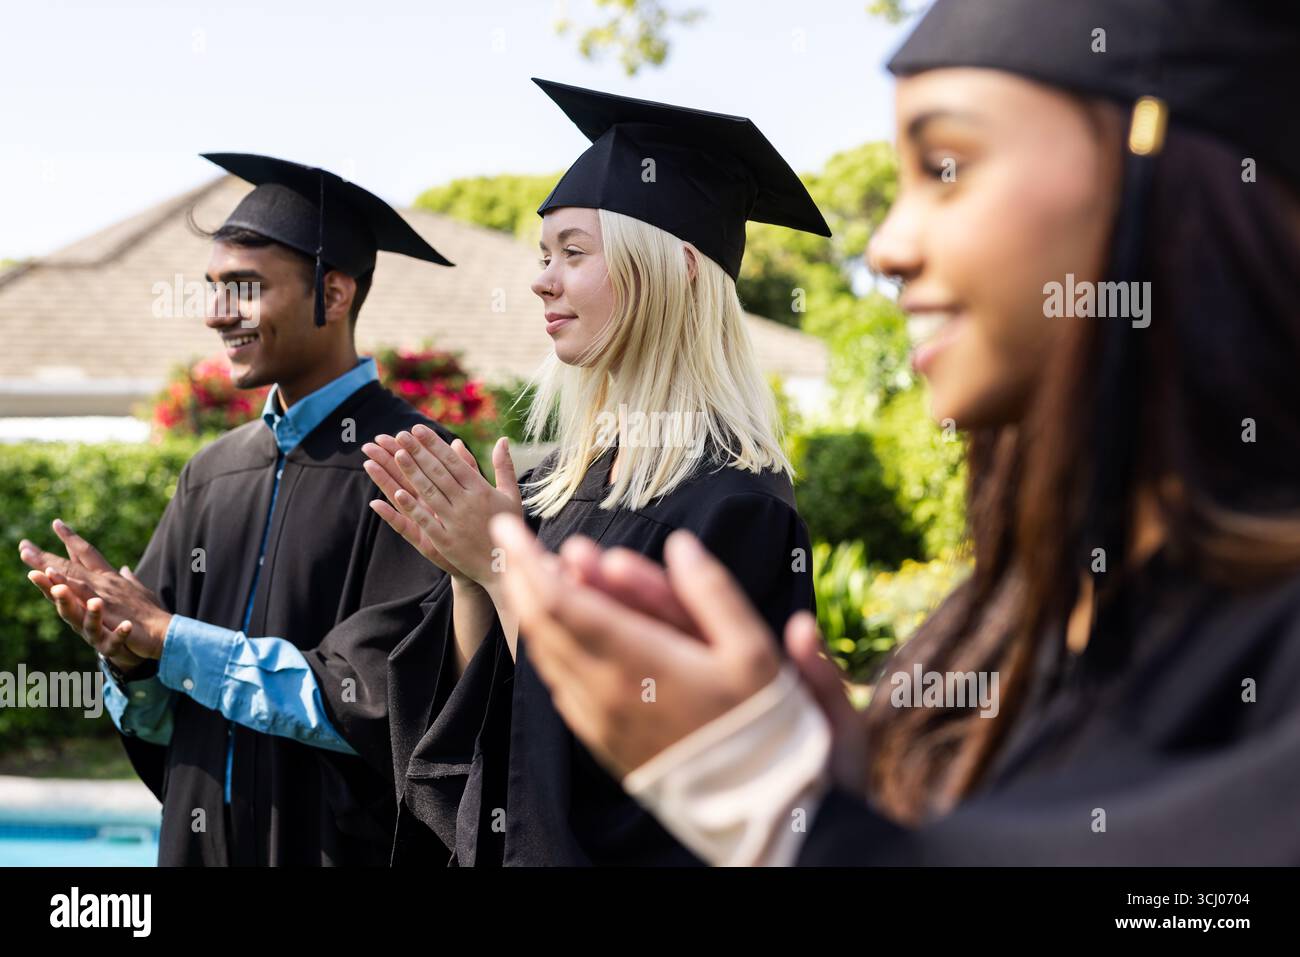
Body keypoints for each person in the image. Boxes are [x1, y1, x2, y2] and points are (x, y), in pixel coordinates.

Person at [487, 0, 1300, 865]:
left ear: (1163, 168)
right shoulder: (997, 620)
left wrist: (782, 813)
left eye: (947, 165)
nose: (885, 246)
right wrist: (853, 787)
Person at [363, 78, 827, 865]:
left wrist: (505, 564)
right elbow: (499, 721)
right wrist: (469, 574)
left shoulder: (737, 508)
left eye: (574, 253)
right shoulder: (560, 483)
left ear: (678, 268)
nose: (543, 280)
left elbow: (644, 770)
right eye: (544, 256)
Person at [19, 153, 456, 865]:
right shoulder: (212, 473)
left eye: (244, 288)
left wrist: (171, 636)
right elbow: (160, 711)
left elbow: (383, 700)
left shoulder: (415, 465)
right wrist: (130, 660)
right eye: (214, 288)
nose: (217, 313)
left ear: (334, 293)